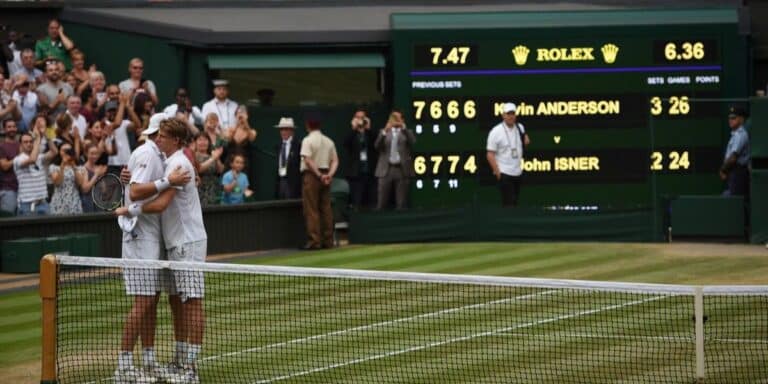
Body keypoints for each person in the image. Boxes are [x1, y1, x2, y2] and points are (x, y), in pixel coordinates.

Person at [117, 118, 207, 383]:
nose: (158, 139)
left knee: (192, 302)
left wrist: (130, 208)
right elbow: (151, 186)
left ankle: (190, 368)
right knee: (178, 300)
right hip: (174, 244)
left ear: (175, 140)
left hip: (187, 242)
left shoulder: (178, 163)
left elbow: (160, 205)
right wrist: (129, 179)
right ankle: (180, 362)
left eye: (163, 136)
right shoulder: (170, 163)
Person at [300, 118, 338, 250]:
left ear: (307, 125)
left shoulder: (307, 140)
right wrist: (329, 175)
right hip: (325, 175)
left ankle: (314, 241)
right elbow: (335, 161)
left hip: (312, 176)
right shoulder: (329, 141)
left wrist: (319, 175)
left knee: (311, 209)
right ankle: (328, 241)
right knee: (326, 208)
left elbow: (308, 160)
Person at [486, 102, 530, 207]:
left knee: (515, 203)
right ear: (503, 115)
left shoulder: (520, 127)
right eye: (508, 114)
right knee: (508, 204)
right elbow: (490, 154)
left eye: (513, 113)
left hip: (517, 172)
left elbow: (526, 140)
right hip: (504, 173)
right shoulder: (496, 131)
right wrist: (498, 174)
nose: (511, 116)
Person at [374, 110, 416, 210]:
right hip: (386, 170)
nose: (396, 120)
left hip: (401, 170)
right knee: (381, 203)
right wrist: (384, 131)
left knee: (401, 203)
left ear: (402, 120)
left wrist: (404, 128)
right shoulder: (383, 132)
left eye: (398, 118)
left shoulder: (407, 132)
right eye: (394, 118)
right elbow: (377, 146)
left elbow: (412, 142)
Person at [344, 108, 376, 209]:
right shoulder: (352, 134)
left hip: (369, 172)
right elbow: (345, 143)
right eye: (358, 118)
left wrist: (368, 128)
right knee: (356, 202)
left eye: (362, 118)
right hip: (356, 173)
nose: (360, 120)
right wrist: (354, 129)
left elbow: (376, 144)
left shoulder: (369, 133)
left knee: (371, 202)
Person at [13, 130, 49, 215]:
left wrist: (48, 138)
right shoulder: (18, 159)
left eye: (30, 141)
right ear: (21, 145)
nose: (29, 144)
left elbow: (54, 152)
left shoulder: (39, 157)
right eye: (25, 142)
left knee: (48, 229)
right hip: (27, 204)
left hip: (43, 202)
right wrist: (37, 141)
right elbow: (32, 160)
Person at [720, 105, 750, 198]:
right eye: (729, 118)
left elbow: (733, 158)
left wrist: (723, 170)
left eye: (733, 118)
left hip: (739, 172)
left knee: (735, 202)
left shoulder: (740, 135)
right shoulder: (736, 134)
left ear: (741, 119)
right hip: (734, 172)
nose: (730, 120)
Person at [49, 142, 84, 215]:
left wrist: (74, 166)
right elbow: (57, 183)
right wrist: (62, 167)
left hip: (74, 201)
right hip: (58, 202)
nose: (66, 152)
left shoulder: (79, 167)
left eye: (68, 150)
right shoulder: (54, 167)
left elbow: (80, 183)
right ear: (59, 152)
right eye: (64, 150)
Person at [274, 117, 301, 199]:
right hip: (281, 182)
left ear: (292, 131)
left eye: (286, 129)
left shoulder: (298, 145)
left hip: (293, 183)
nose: (283, 132)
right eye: (281, 129)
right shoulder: (278, 146)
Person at [194, 133, 224, 207]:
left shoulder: (212, 155)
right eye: (200, 140)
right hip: (199, 189)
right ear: (195, 142)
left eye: (205, 140)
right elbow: (199, 169)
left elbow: (220, 170)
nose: (203, 142)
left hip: (213, 189)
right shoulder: (193, 155)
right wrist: (213, 158)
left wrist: (217, 158)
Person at [78, 143, 107, 212]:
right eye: (92, 153)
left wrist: (101, 176)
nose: (94, 156)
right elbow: (85, 189)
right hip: (87, 203)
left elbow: (104, 190)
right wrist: (96, 175)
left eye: (96, 154)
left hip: (99, 202)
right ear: (86, 154)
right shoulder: (83, 169)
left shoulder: (98, 168)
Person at [0, 119, 20, 214]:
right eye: (9, 127)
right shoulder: (2, 146)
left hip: (23, 189)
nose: (12, 129)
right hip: (8, 189)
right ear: (4, 130)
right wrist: (19, 157)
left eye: (14, 126)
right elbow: (4, 166)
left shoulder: (22, 144)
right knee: (8, 219)